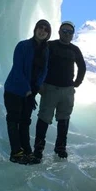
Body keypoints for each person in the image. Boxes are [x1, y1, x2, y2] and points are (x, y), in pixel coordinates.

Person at [33, 20, 86, 160]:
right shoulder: (50, 45)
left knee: (64, 120)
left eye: (70, 32)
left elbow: (82, 66)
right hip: (50, 88)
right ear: (59, 32)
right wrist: (40, 84)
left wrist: (76, 83)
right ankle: (38, 150)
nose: (67, 34)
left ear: (73, 34)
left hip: (67, 91)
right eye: (64, 31)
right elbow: (38, 63)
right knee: (44, 118)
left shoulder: (75, 50)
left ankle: (60, 148)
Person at [3, 19, 51, 164]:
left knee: (25, 122)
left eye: (45, 30)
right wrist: (28, 91)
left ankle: (27, 151)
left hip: (30, 92)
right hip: (14, 90)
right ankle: (16, 153)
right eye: (40, 28)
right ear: (35, 29)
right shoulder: (23, 46)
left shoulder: (45, 50)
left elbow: (44, 70)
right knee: (14, 120)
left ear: (48, 34)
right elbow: (18, 70)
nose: (42, 31)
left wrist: (36, 88)